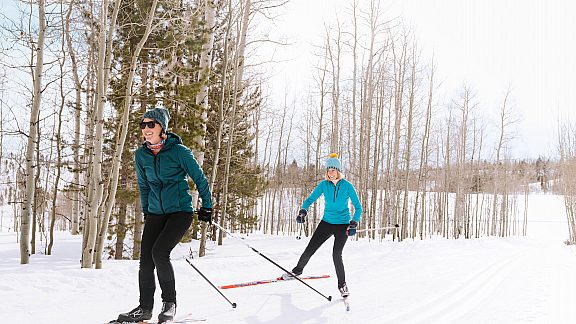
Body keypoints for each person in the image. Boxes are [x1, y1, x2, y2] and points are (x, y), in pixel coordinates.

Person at [117, 107, 213, 323]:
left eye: (151, 124)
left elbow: (200, 178)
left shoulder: (179, 151)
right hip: (155, 212)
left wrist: (207, 205)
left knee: (160, 252)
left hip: (180, 211)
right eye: (143, 125)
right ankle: (145, 308)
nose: (146, 129)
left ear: (162, 128)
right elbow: (143, 185)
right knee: (145, 261)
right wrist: (147, 210)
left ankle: (169, 304)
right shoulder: (141, 155)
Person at [282, 153, 362, 298]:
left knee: (336, 254)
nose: (330, 173)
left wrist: (353, 223)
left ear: (338, 171)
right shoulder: (324, 185)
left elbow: (358, 207)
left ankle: (342, 285)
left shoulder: (347, 186)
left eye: (333, 170)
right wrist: (303, 211)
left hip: (343, 225)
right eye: (328, 170)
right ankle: (297, 271)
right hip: (326, 222)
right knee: (310, 248)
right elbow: (310, 200)